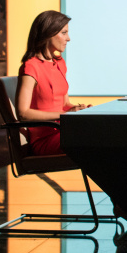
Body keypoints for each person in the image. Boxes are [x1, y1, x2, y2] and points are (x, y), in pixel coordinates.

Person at [16, 10, 91, 155]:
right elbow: (23, 113)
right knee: (97, 140)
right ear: (48, 33)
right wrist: (65, 115)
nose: (68, 38)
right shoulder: (31, 67)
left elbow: (65, 104)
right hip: (45, 139)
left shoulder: (60, 63)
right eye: (64, 33)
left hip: (63, 131)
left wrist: (78, 110)